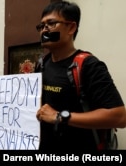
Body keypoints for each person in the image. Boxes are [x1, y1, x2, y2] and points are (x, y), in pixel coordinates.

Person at [35, 1, 126, 151]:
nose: (44, 30)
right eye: (41, 26)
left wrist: (59, 116)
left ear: (71, 27)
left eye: (51, 23)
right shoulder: (42, 64)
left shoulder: (89, 65)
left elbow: (119, 117)